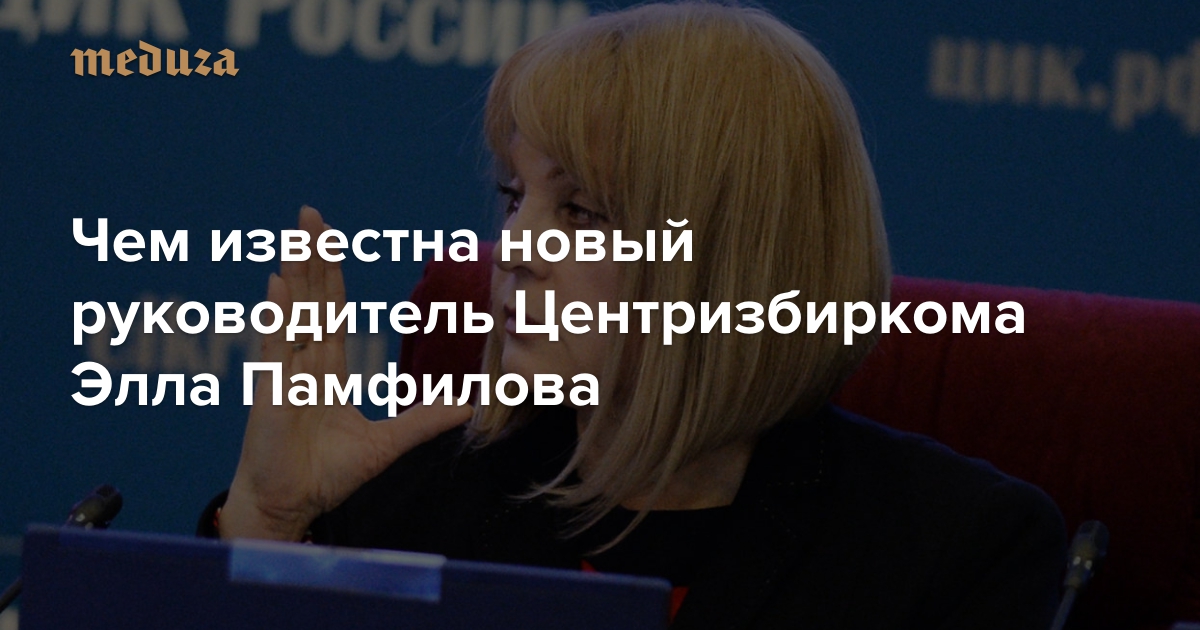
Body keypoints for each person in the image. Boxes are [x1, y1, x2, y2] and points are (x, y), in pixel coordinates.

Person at [203, 3, 1067, 628]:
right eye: (515, 197)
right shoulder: (418, 502)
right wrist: (269, 523)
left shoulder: (958, 551)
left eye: (581, 211)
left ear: (736, 256)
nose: (515, 247)